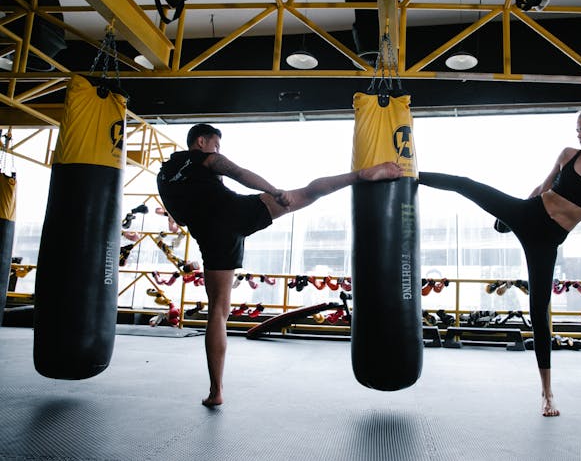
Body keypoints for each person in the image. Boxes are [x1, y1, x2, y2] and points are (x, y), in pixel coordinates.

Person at [418, 108, 581, 417]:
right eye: (578, 129)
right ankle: (409, 174)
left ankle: (547, 394)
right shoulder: (568, 155)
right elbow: (542, 189)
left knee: (539, 312)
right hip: (527, 214)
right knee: (467, 184)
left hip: (546, 241)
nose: (579, 134)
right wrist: (508, 217)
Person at [157, 123, 402, 407]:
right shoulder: (201, 157)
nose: (217, 150)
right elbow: (237, 172)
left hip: (211, 238)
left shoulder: (164, 174)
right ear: (201, 141)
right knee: (308, 193)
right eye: (216, 145)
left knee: (217, 313)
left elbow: (182, 219)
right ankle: (360, 176)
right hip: (236, 213)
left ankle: (216, 392)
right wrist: (273, 190)